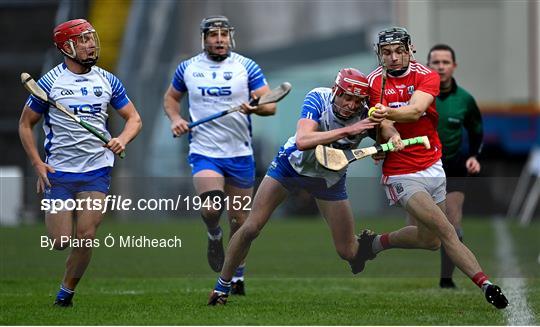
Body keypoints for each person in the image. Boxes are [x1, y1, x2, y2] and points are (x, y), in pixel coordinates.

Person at [207, 68, 404, 305]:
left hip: (329, 177)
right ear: (336, 91)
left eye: (357, 100)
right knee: (250, 227)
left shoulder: (366, 112)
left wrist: (392, 136)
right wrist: (349, 130)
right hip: (290, 167)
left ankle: (371, 243)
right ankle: (222, 287)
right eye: (347, 97)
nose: (351, 105)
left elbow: (386, 127)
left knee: (349, 252)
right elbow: (303, 140)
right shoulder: (318, 98)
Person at [359, 27, 507, 309]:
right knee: (447, 229)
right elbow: (385, 126)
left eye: (399, 51)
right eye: (386, 52)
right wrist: (390, 134)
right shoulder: (373, 83)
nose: (393, 57)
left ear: (410, 49)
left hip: (431, 164)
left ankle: (373, 244)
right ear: (378, 54)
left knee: (430, 241)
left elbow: (415, 110)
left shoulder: (426, 75)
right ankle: (487, 285)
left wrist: (385, 113)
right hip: (401, 172)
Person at [18, 18, 142, 307]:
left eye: (91, 38)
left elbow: (134, 119)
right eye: (83, 40)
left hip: (96, 169)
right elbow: (25, 125)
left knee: (86, 236)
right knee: (61, 241)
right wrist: (38, 164)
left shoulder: (108, 80)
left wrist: (122, 139)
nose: (90, 45)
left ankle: (66, 294)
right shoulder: (49, 83)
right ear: (66, 47)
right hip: (59, 171)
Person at [163, 15, 276, 295]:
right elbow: (171, 99)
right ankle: (214, 235)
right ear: (204, 38)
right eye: (213, 35)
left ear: (230, 37)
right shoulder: (188, 68)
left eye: (224, 34)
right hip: (205, 151)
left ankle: (237, 276)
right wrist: (175, 118)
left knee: (240, 222)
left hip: (239, 153)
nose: (219, 39)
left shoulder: (246, 66)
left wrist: (255, 108)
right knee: (212, 207)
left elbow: (270, 104)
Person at [426, 44, 484, 288]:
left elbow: (476, 130)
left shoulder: (465, 100)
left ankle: (446, 280)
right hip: (423, 164)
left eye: (445, 62)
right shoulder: (419, 95)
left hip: (453, 164)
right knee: (421, 233)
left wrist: (473, 156)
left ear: (454, 66)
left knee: (452, 221)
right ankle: (376, 244)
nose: (440, 66)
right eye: (435, 62)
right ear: (428, 66)